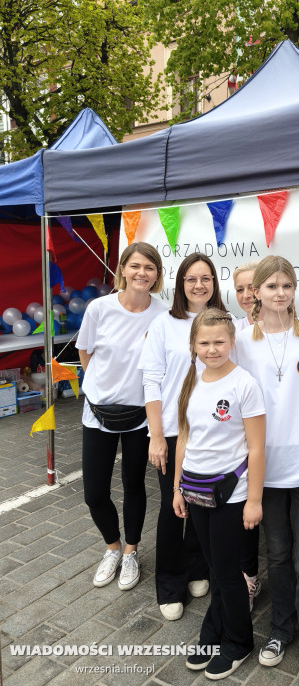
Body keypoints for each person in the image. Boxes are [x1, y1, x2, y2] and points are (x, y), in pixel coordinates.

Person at [235, 256, 299, 686]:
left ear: (295, 290)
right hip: (266, 471)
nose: (280, 293)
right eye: (271, 286)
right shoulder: (240, 340)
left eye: (287, 286)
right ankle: (281, 629)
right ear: (255, 292)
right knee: (276, 556)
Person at [173, 308, 266, 680]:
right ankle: (214, 630)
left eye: (219, 342)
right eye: (204, 343)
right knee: (215, 567)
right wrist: (178, 486)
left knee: (228, 572)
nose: (212, 349)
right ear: (193, 345)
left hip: (231, 493)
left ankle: (239, 641)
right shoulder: (191, 379)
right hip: (195, 489)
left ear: (232, 342)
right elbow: (184, 436)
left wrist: (255, 500)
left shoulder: (244, 384)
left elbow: (257, 448)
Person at [139, 253, 226, 620]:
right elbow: (152, 380)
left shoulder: (225, 321)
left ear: (214, 283)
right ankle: (170, 582)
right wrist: (156, 436)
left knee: (203, 503)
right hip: (174, 433)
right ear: (180, 284)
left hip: (213, 433)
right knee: (173, 507)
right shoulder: (164, 324)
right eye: (191, 278)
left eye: (206, 278)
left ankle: (197, 566)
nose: (199, 285)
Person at [77, 242, 166, 590]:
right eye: (136, 266)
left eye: (150, 267)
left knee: (133, 485)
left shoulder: (161, 314)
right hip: (98, 413)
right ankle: (111, 546)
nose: (142, 273)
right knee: (94, 492)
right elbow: (85, 352)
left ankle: (130, 551)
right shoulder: (99, 308)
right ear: (123, 270)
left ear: (157, 274)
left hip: (140, 416)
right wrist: (101, 387)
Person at [232, 261, 262, 607]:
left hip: (279, 438)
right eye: (240, 289)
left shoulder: (289, 329)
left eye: (252, 286)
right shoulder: (234, 333)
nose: (247, 295)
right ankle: (248, 578)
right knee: (245, 514)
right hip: (243, 439)